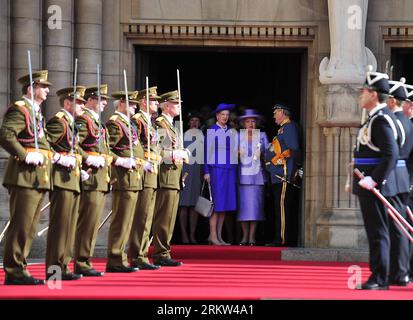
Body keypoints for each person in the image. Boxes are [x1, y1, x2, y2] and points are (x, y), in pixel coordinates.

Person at [0, 70, 53, 285]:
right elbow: (5, 135)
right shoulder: (20, 111)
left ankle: (20, 267)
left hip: (37, 176)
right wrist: (25, 155)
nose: (48, 90)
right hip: (24, 175)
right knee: (21, 224)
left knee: (30, 227)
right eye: (44, 87)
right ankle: (13, 270)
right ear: (32, 89)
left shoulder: (36, 113)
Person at [352, 67, 401, 290]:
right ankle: (379, 275)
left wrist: (375, 180)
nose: (360, 95)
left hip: (374, 186)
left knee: (378, 232)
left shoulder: (380, 120)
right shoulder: (375, 118)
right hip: (368, 183)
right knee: (376, 231)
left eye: (363, 91)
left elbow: (391, 153)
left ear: (373, 94)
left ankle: (379, 277)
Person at [45, 86, 87, 281]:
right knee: (59, 227)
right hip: (62, 179)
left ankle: (63, 266)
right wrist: (59, 159)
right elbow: (44, 144)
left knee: (68, 227)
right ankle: (54, 272)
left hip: (72, 178)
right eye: (79, 103)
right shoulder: (59, 123)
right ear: (67, 103)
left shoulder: (70, 124)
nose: (82, 106)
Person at [105, 91, 147, 273]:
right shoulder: (115, 123)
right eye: (131, 104)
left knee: (128, 220)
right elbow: (108, 149)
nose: (135, 107)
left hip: (133, 176)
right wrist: (120, 161)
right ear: (121, 104)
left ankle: (121, 258)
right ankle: (116, 259)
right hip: (123, 177)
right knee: (121, 220)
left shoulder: (127, 123)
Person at [73, 84, 111, 277]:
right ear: (89, 100)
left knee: (92, 221)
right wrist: (87, 158)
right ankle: (81, 261)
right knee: (87, 221)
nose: (105, 102)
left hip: (100, 177)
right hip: (91, 176)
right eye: (101, 99)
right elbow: (73, 144)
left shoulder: (97, 122)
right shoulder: (83, 119)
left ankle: (84, 260)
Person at [152, 90, 188, 266]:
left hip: (174, 177)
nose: (179, 106)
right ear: (167, 106)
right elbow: (159, 152)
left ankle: (164, 251)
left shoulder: (171, 124)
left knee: (169, 217)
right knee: (163, 217)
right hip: (166, 176)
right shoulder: (160, 124)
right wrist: (176, 153)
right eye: (177, 103)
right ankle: (160, 252)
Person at [128, 86, 162, 270]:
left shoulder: (150, 122)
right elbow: (136, 146)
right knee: (141, 216)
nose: (157, 103)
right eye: (154, 100)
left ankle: (142, 253)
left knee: (148, 216)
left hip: (152, 171)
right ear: (144, 102)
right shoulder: (138, 120)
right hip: (143, 171)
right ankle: (137, 255)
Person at [386, 78, 413, 286]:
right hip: (406, 181)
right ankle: (404, 270)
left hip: (403, 180)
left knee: (399, 227)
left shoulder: (401, 124)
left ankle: (402, 270)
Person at [264, 104, 301, 247]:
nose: (273, 116)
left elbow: (294, 149)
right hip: (278, 175)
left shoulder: (289, 127)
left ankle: (282, 239)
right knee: (279, 209)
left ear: (282, 113)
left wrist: (296, 169)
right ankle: (279, 237)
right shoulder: (282, 129)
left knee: (282, 209)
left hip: (285, 174)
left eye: (276, 113)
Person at [204, 103, 238, 245]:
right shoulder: (212, 130)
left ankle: (219, 236)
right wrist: (206, 171)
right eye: (222, 114)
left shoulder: (231, 131)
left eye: (227, 115)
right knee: (216, 204)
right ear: (217, 116)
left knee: (224, 205)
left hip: (229, 170)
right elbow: (206, 152)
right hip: (216, 170)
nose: (225, 117)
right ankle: (212, 235)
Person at [237, 109, 268, 246]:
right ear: (243, 123)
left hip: (257, 177)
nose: (250, 124)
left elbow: (269, 155)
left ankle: (252, 237)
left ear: (257, 123)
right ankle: (244, 237)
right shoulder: (238, 136)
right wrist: (237, 153)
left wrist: (262, 153)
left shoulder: (262, 136)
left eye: (253, 121)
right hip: (243, 176)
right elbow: (231, 155)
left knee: (255, 208)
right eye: (248, 121)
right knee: (244, 208)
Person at [178, 111, 204, 244]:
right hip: (185, 172)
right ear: (188, 123)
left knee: (194, 205)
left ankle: (192, 235)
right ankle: (184, 235)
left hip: (197, 173)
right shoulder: (182, 136)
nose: (194, 123)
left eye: (197, 121)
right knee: (184, 205)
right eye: (192, 120)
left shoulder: (202, 137)